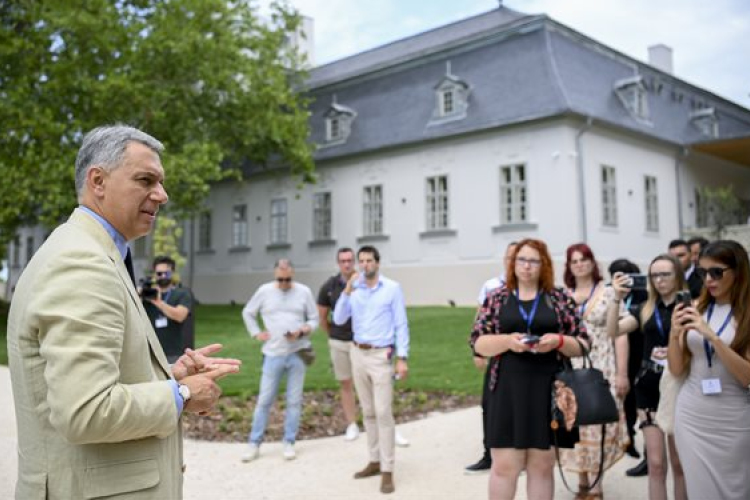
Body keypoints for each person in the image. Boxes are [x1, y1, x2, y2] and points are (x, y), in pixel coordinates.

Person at [6, 125, 240, 499]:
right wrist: (181, 393)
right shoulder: (82, 262)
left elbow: (95, 377)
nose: (162, 195)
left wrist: (167, 375)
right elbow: (85, 411)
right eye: (146, 180)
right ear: (98, 181)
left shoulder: (90, 251)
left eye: (161, 183)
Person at [470, 238, 588, 500]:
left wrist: (558, 341)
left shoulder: (558, 299)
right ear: (513, 263)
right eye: (521, 259)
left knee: (542, 466)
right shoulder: (496, 298)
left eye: (534, 261)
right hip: (507, 390)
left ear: (544, 265)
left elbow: (583, 343)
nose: (526, 266)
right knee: (504, 466)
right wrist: (507, 341)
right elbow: (477, 343)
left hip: (548, 391)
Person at [670, 240, 750, 499]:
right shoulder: (696, 308)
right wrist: (674, 332)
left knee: (738, 490)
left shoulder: (746, 314)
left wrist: (712, 337)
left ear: (737, 271)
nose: (708, 280)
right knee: (700, 491)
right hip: (692, 414)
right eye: (702, 272)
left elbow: (747, 377)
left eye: (716, 272)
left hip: (735, 417)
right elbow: (676, 368)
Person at [333, 245, 410, 495]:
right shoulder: (354, 290)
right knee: (367, 411)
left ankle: (387, 469)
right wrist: (347, 290)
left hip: (380, 355)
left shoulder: (392, 288)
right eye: (362, 261)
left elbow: (401, 324)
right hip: (357, 353)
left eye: (369, 260)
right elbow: (338, 319)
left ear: (377, 263)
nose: (365, 265)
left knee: (383, 411)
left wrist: (402, 358)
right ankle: (374, 460)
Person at [610, 255, 688, 500]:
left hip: (679, 383)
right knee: (655, 463)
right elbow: (613, 330)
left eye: (665, 274)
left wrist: (675, 349)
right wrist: (616, 298)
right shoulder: (645, 308)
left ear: (677, 276)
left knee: (679, 463)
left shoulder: (690, 306)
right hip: (648, 386)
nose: (659, 280)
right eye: (654, 275)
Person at [560, 243, 629, 500]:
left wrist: (622, 373)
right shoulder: (563, 296)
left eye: (584, 259)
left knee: (598, 424)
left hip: (603, 365)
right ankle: (582, 482)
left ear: (592, 262)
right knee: (574, 425)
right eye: (574, 261)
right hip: (571, 367)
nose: (579, 264)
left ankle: (596, 486)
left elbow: (620, 334)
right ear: (569, 266)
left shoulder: (609, 292)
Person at [241, 259, 319, 462]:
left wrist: (302, 330)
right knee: (264, 400)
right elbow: (248, 312)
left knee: (294, 400)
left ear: (293, 275)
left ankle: (289, 441)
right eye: (281, 279)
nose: (284, 283)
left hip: (297, 352)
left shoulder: (304, 292)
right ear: (275, 275)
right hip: (272, 353)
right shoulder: (264, 291)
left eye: (288, 279)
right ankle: (254, 443)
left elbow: (314, 319)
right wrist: (256, 333)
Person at [466, 241, 518, 475]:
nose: (512, 261)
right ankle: (489, 453)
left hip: (522, 355)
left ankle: (519, 454)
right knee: (489, 405)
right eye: (509, 257)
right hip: (496, 353)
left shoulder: (530, 287)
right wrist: (477, 351)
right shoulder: (491, 286)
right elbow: (479, 319)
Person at [317, 247, 361, 441]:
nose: (347, 264)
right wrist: (333, 335)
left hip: (361, 341)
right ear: (338, 263)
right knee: (345, 382)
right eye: (343, 261)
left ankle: (374, 420)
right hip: (339, 341)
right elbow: (322, 317)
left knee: (368, 381)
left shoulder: (364, 282)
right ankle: (352, 424)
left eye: (350, 260)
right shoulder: (329, 286)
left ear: (354, 262)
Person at [607, 259, 647, 467]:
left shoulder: (643, 295)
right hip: (614, 352)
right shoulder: (609, 293)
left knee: (633, 397)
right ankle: (622, 436)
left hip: (638, 352)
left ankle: (631, 436)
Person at [143, 255, 194, 363]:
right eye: (159, 274)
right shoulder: (148, 295)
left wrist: (159, 303)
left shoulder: (182, 293)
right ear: (154, 274)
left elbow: (180, 316)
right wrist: (138, 294)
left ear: (172, 273)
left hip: (174, 353)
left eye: (166, 273)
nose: (163, 276)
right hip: (150, 353)